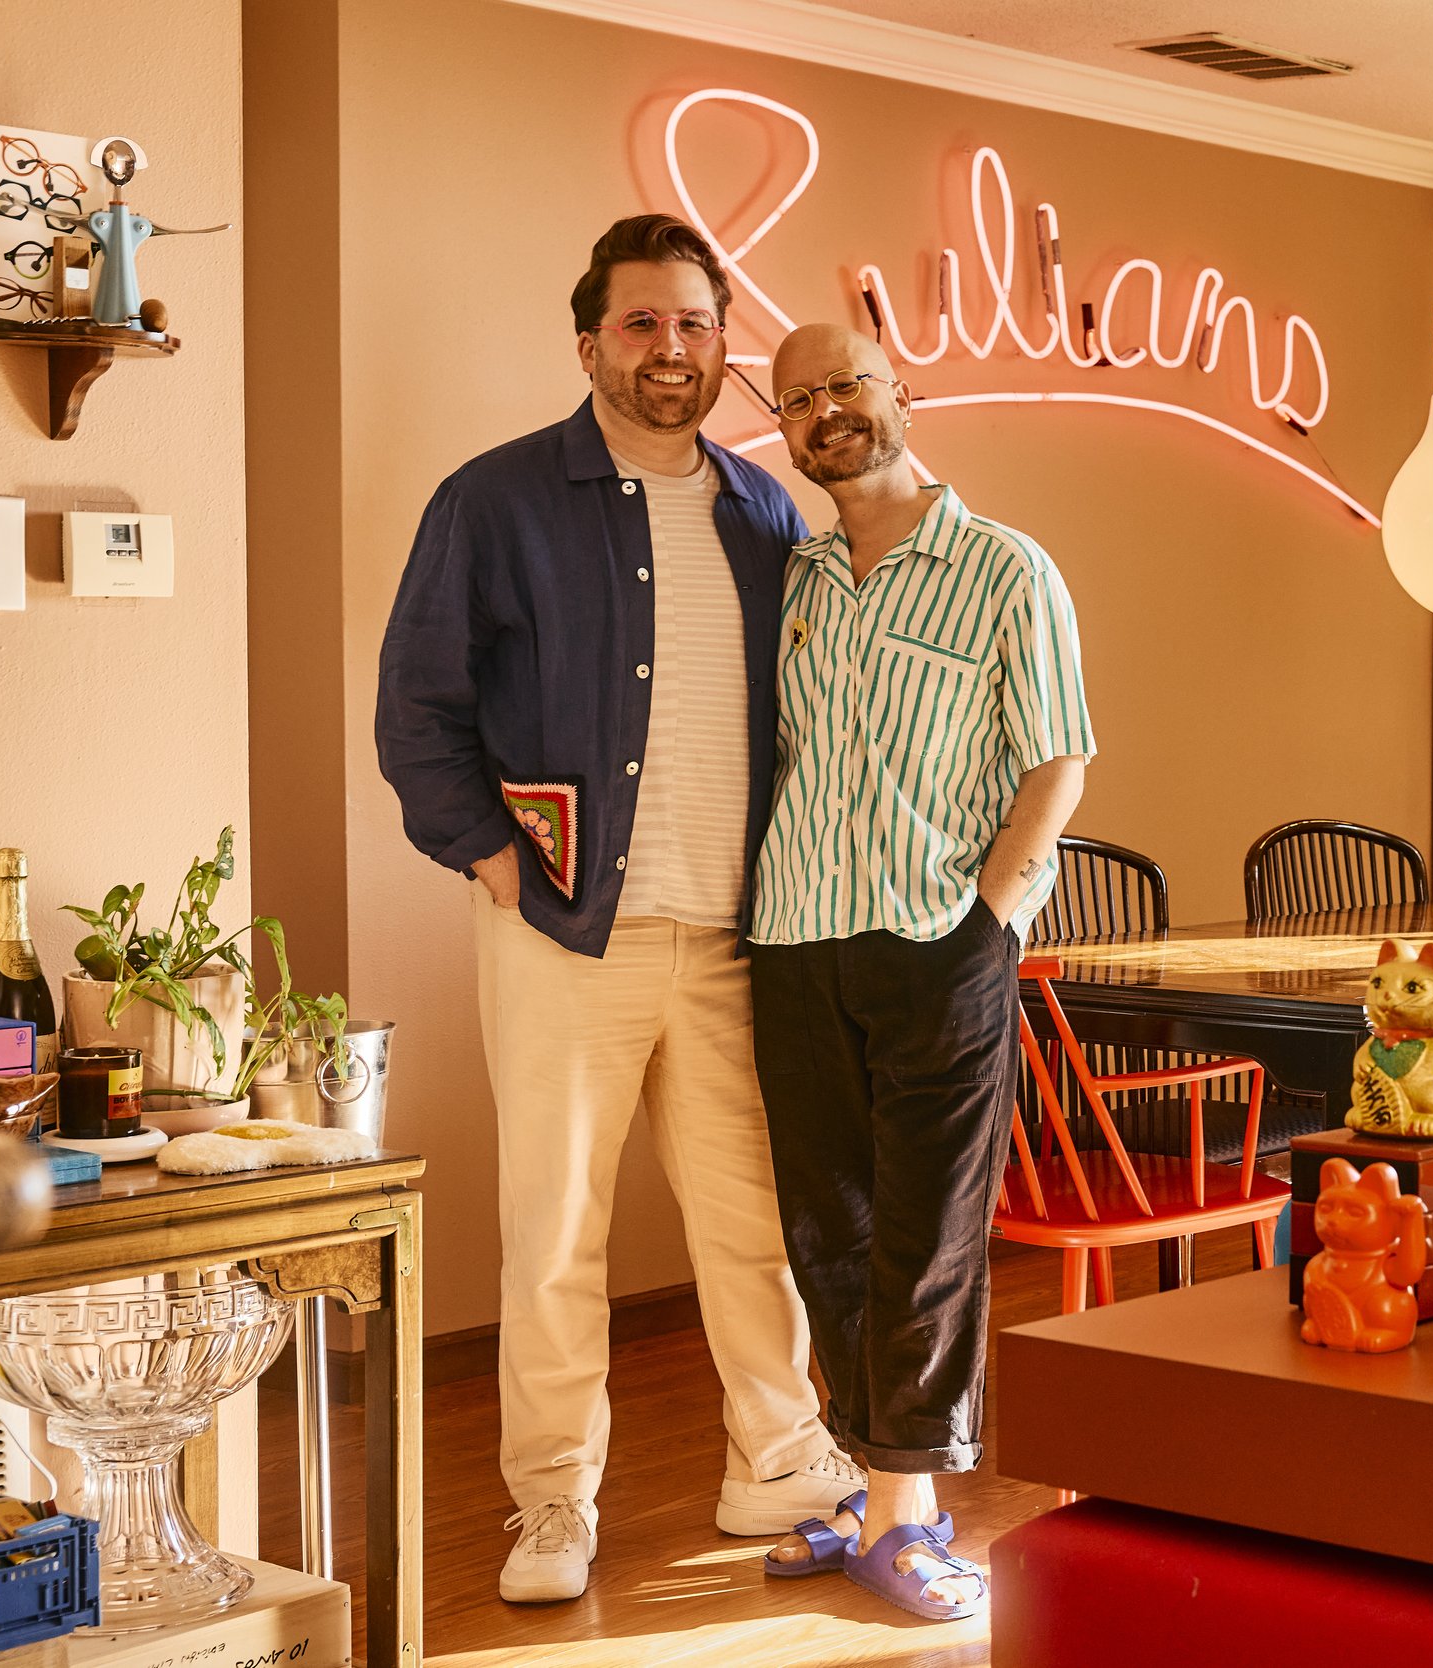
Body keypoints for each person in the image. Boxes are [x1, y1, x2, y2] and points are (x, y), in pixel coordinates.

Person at [374, 215, 859, 1605]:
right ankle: (550, 1502)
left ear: (724, 350)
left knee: (749, 1223)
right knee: (555, 1233)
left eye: (696, 326)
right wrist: (492, 859)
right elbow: (418, 708)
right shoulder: (496, 501)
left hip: (732, 937)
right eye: (642, 324)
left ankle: (775, 1455)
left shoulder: (766, 515)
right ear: (589, 341)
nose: (671, 350)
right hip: (563, 935)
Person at [747, 322, 1094, 1620]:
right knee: (824, 1233)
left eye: (848, 384)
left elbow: (1058, 758)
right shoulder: (792, 579)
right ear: (784, 426)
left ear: (904, 395)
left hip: (938, 941)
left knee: (928, 1238)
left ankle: (908, 1512)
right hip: (793, 940)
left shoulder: (1008, 569)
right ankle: (867, 1483)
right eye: (800, 398)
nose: (827, 409)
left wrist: (988, 917)